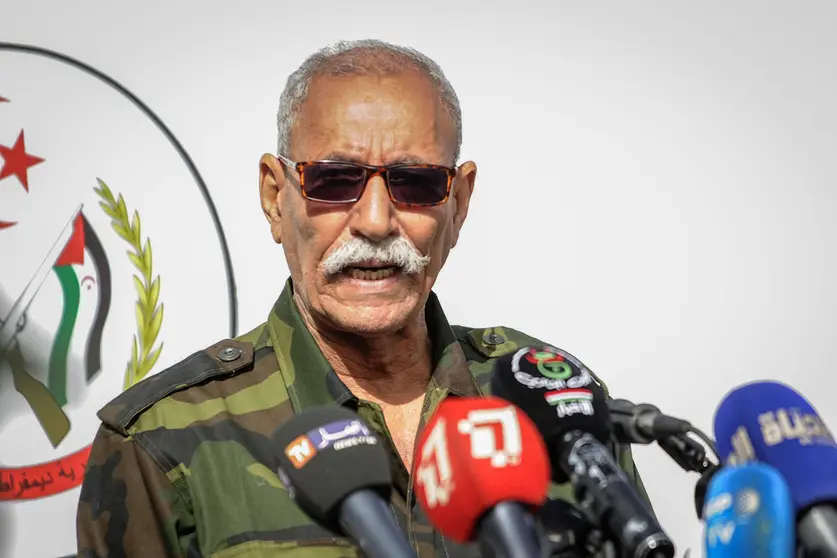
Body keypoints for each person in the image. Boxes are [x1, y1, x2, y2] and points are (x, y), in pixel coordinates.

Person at [76, 39, 654, 558]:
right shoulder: (162, 438)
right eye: (334, 179)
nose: (376, 221)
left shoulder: (548, 400)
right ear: (277, 198)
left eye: (416, 182)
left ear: (459, 202)